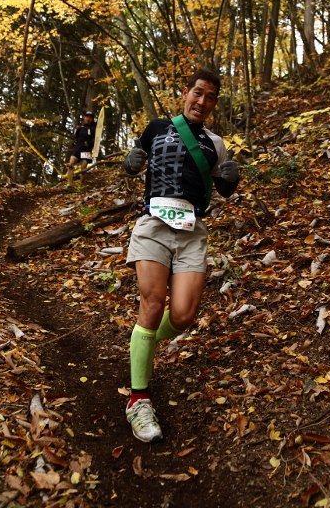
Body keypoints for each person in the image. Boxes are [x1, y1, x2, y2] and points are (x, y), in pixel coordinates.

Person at [122, 69, 239, 443]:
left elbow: (223, 189)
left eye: (210, 97)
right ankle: (138, 401)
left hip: (192, 231)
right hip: (154, 225)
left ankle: (143, 342)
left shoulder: (216, 144)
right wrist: (131, 161)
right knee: (153, 304)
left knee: (184, 316)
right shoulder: (157, 128)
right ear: (186, 93)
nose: (202, 101)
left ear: (214, 103)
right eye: (197, 93)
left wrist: (231, 179)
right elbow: (135, 162)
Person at [66, 111, 96, 184]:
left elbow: (96, 141)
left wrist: (89, 143)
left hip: (87, 151)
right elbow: (74, 138)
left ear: (92, 119)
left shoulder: (93, 129)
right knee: (70, 164)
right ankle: (69, 184)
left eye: (90, 117)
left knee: (83, 167)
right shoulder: (79, 128)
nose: (88, 119)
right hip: (78, 149)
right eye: (87, 117)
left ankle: (81, 185)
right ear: (84, 117)